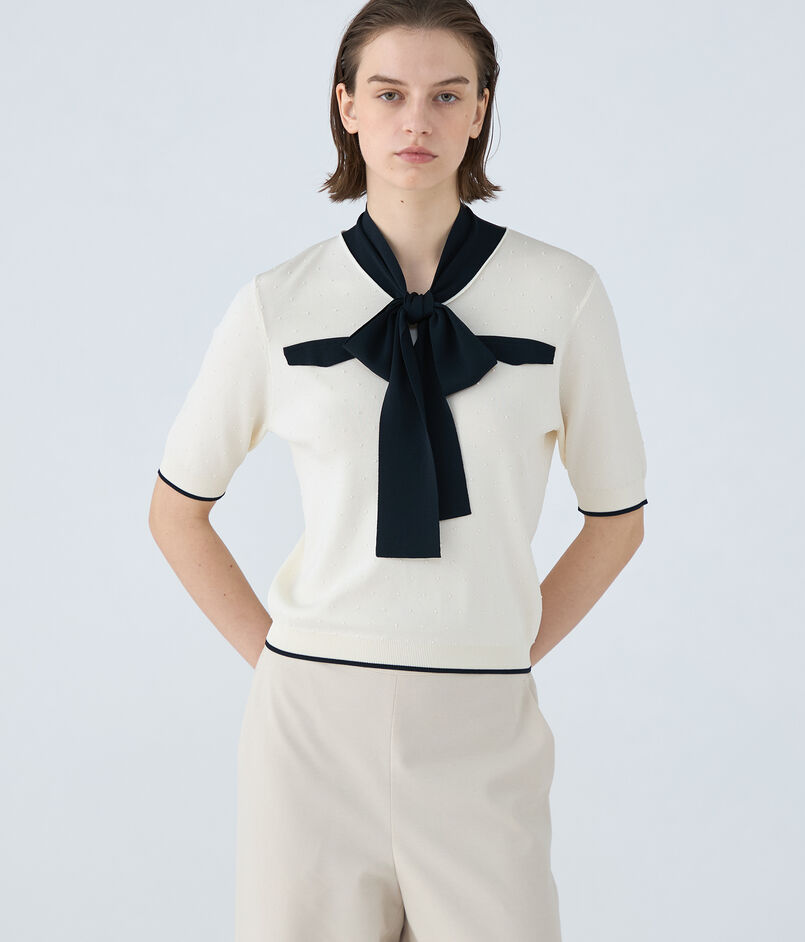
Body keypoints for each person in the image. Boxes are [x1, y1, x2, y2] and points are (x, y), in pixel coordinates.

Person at [148, 1, 648, 939]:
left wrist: (504, 646)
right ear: (346, 106)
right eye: (387, 94)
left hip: (483, 725)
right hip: (308, 735)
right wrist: (280, 662)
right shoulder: (276, 304)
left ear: (480, 110)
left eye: (446, 94)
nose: (416, 120)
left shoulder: (562, 295)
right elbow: (176, 510)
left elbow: (618, 517)